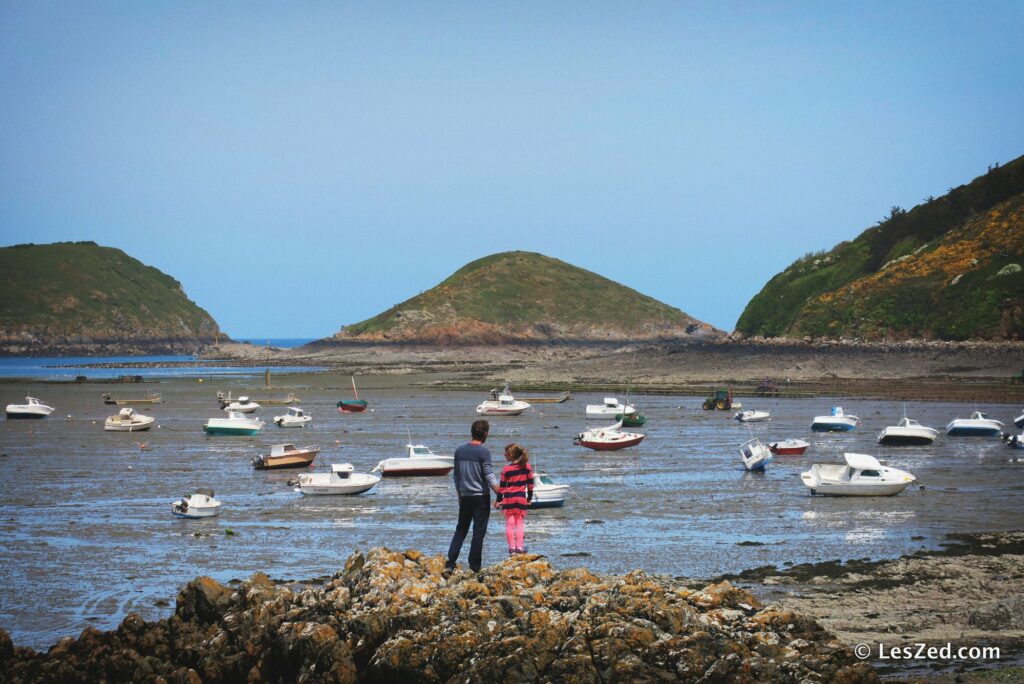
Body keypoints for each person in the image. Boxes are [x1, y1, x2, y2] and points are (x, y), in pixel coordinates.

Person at [445, 419, 500, 574]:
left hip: (465, 496)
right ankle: (474, 566)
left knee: (461, 529)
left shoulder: (459, 450)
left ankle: (450, 562)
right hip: (480, 497)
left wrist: (459, 494)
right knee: (478, 533)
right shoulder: (483, 452)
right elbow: (489, 477)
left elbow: (456, 476)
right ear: (485, 433)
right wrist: (501, 493)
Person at [495, 443, 534, 556]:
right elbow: (530, 485)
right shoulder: (527, 467)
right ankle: (520, 548)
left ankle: (512, 549)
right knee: (519, 523)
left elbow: (502, 487)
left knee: (509, 524)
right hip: (521, 498)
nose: (504, 455)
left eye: (506, 453)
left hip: (508, 499)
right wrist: (529, 498)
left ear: (511, 455)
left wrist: (498, 500)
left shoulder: (506, 469)